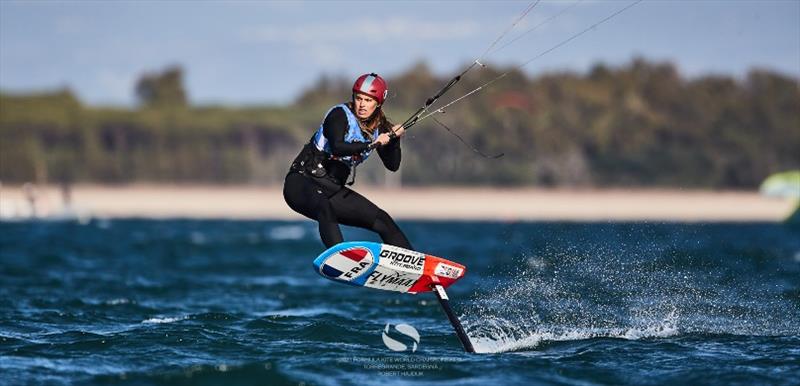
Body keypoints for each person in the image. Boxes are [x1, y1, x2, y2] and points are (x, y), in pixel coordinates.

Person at [283, 73, 413, 250]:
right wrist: (372, 144)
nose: (362, 104)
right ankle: (341, 256)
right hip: (301, 182)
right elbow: (337, 147)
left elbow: (393, 165)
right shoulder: (339, 115)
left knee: (383, 220)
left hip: (332, 189)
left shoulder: (379, 128)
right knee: (324, 206)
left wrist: (394, 140)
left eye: (368, 100)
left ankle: (412, 268)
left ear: (378, 103)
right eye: (359, 98)